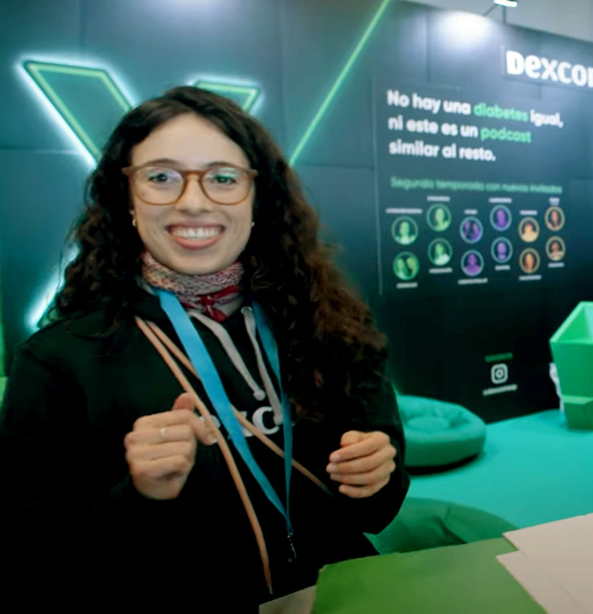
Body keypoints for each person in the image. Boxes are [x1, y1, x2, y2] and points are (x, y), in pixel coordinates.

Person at [0, 87, 408, 610]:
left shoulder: (332, 324)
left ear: (257, 197)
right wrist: (137, 496)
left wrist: (376, 478)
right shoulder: (59, 361)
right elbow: (29, 555)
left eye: (223, 178)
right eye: (161, 177)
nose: (193, 202)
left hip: (339, 596)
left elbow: (378, 512)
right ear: (127, 197)